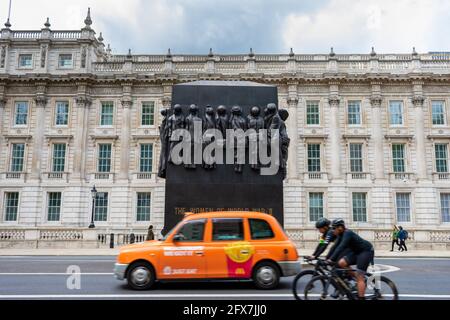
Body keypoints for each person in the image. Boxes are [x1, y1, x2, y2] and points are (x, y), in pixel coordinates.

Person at [326, 219, 375, 300]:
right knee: (341, 263)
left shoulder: (347, 233)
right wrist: (328, 258)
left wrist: (331, 260)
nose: (332, 230)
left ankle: (361, 292)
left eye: (334, 228)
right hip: (356, 252)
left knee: (360, 276)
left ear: (340, 227)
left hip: (366, 251)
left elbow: (341, 247)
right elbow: (334, 247)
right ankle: (358, 280)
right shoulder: (340, 235)